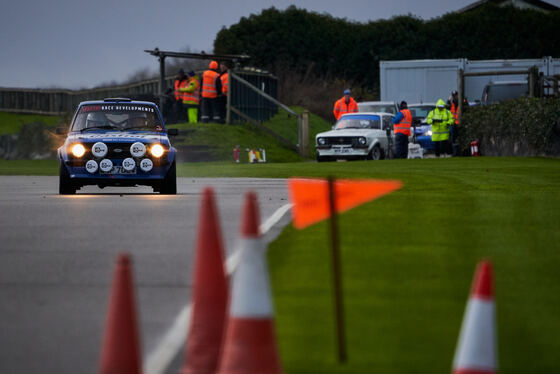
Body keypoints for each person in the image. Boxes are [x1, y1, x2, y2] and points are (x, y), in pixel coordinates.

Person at [448, 90, 460, 156]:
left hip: (459, 123)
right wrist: (448, 100)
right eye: (453, 96)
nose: (454, 97)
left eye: (455, 95)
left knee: (457, 138)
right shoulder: (451, 103)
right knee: (453, 139)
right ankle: (454, 152)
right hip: (453, 123)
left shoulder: (462, 101)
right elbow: (447, 106)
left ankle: (458, 152)